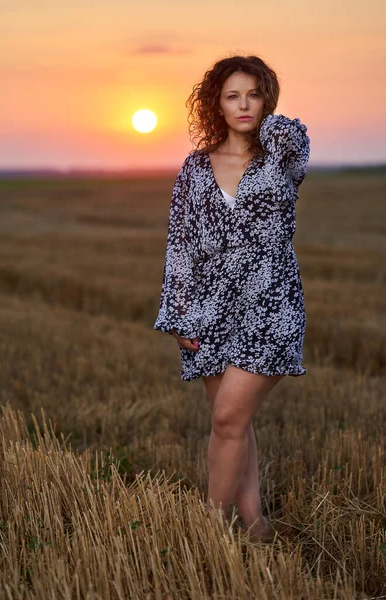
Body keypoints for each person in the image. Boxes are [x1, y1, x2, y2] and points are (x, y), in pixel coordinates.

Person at [153, 55, 310, 542]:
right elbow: (180, 243)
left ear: (266, 98)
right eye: (232, 96)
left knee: (227, 417)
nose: (244, 105)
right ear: (215, 106)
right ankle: (256, 527)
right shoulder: (196, 168)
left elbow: (293, 131)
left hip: (271, 304)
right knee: (232, 424)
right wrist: (179, 313)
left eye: (253, 94)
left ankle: (209, 531)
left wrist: (268, 111)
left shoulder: (283, 155)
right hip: (209, 308)